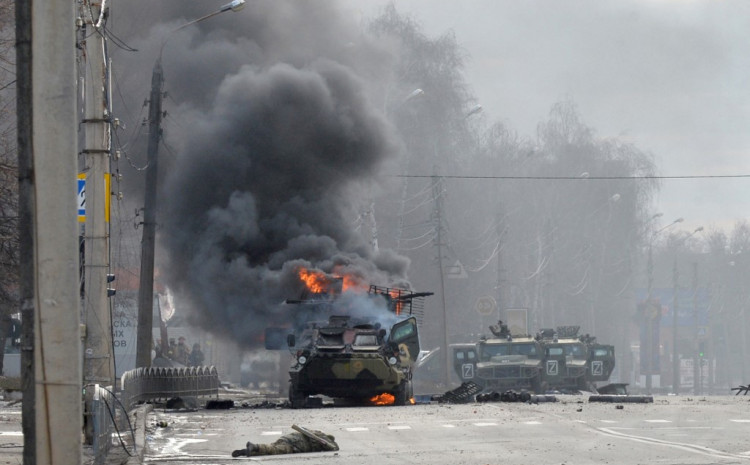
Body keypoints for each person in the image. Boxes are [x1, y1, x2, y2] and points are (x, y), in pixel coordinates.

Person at [231, 425, 338, 457]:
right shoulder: (322, 439)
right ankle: (254, 446)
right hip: (294, 444)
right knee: (274, 449)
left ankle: (246, 451)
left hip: (288, 439)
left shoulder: (314, 432)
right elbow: (334, 447)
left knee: (271, 450)